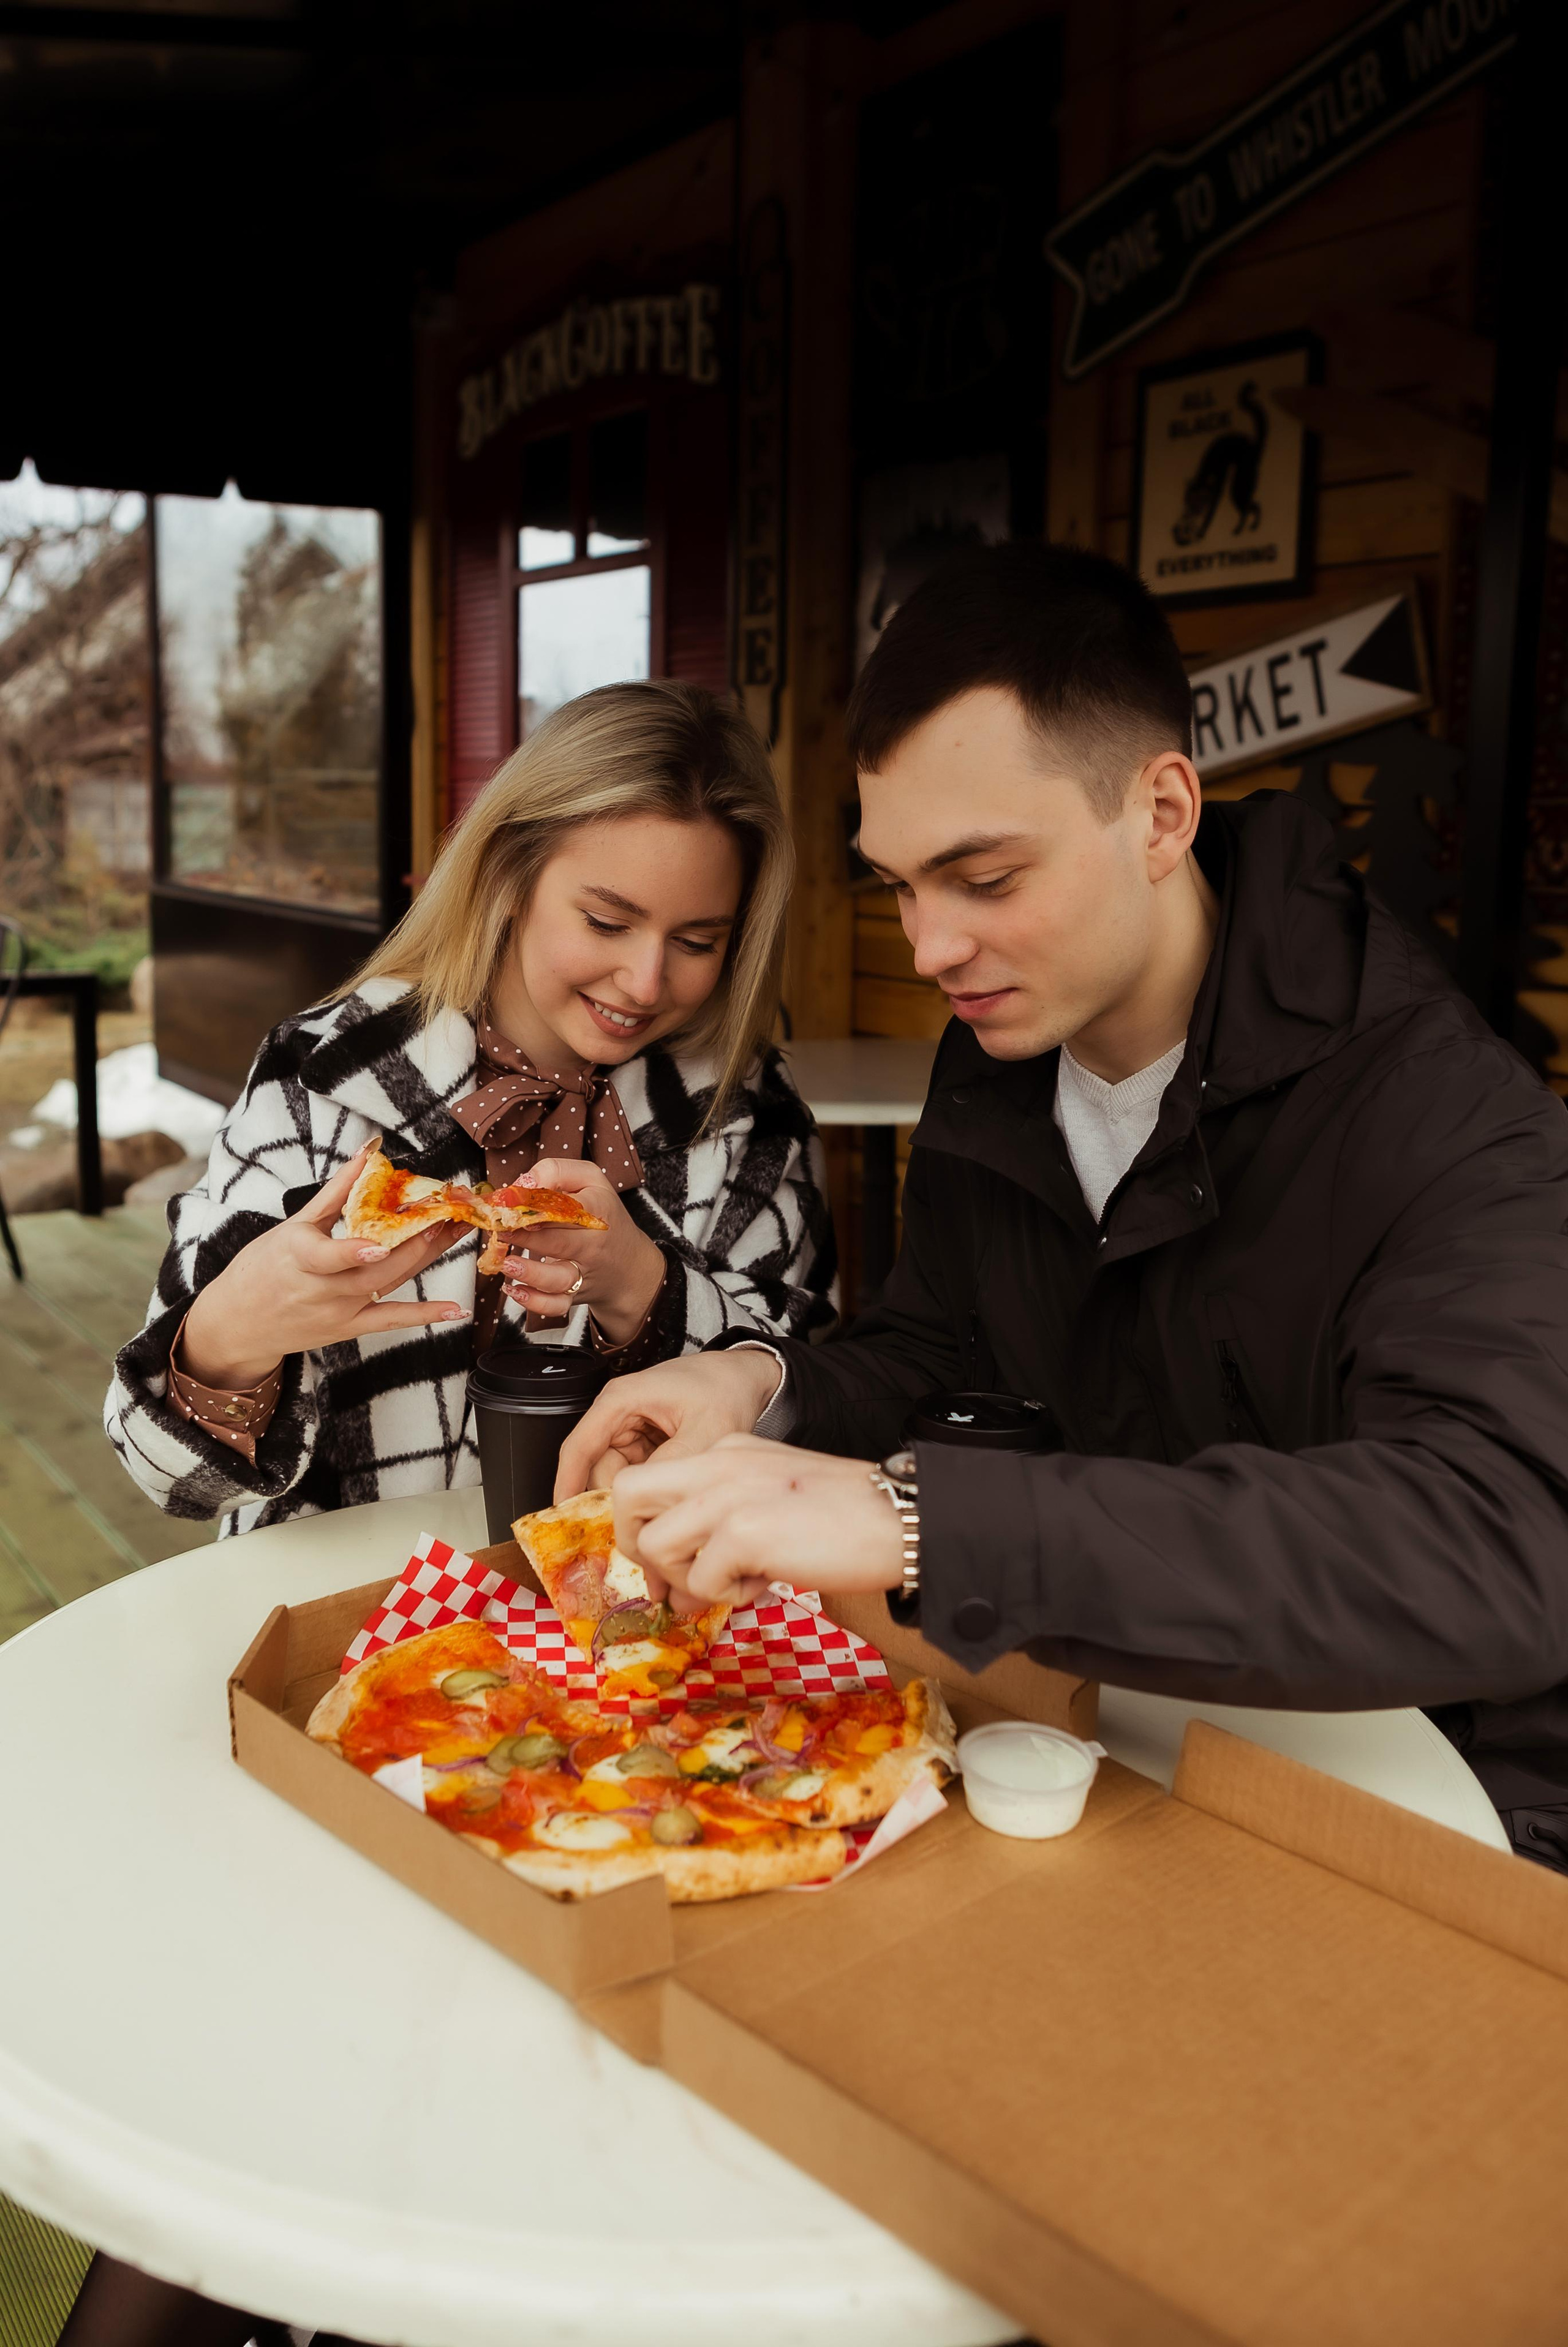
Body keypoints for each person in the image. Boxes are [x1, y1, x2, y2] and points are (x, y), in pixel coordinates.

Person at [559, 542, 1568, 1874]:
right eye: (899, 885)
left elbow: (1501, 1543)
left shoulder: (1443, 1109)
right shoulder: (998, 1053)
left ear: (1159, 814)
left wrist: (923, 1522)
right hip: (1112, 1745)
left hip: (1429, 1810)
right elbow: (939, 1347)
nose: (928, 949)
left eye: (983, 880)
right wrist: (758, 1385)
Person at [107, 679, 835, 1532]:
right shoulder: (325, 1077)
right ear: (510, 875)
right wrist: (229, 1337)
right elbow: (177, 1488)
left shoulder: (747, 1120)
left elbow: (809, 1426)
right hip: (339, 1624)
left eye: (697, 941)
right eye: (606, 923)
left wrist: (647, 1291)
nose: (644, 982)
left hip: (624, 1631)